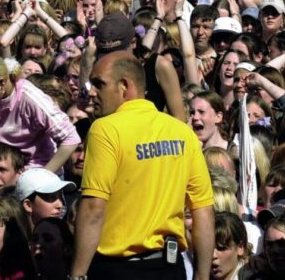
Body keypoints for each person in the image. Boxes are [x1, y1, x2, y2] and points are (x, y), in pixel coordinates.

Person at [70, 51, 215, 280]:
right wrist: (202, 276)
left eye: (99, 84)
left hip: (117, 270)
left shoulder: (105, 129)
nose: (91, 92)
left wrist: (76, 275)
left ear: (124, 85)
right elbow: (203, 210)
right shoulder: (182, 133)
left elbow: (93, 209)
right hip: (170, 268)